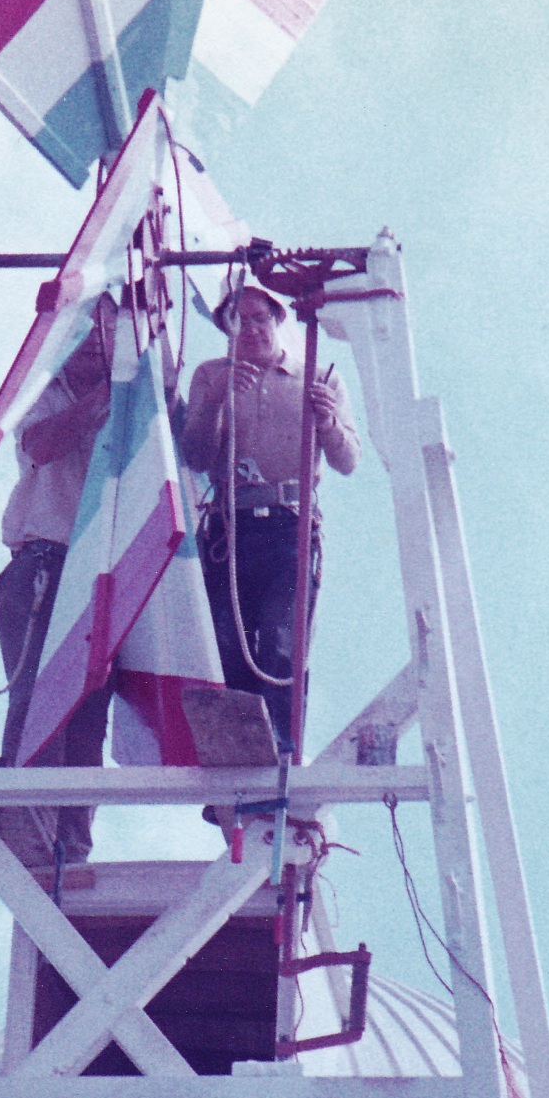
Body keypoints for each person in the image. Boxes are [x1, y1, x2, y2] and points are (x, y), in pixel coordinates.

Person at [180, 284, 361, 751]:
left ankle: (281, 749)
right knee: (225, 643)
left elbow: (347, 459)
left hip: (289, 528)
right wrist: (215, 400)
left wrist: (327, 423)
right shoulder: (210, 375)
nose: (251, 329)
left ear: (277, 320)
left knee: (282, 644)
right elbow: (196, 455)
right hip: (229, 529)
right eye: (238, 321)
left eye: (259, 318)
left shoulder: (318, 378)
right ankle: (237, 752)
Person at [0, 294, 117, 869]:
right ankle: (30, 810)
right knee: (40, 695)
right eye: (85, 332)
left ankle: (72, 841)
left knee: (88, 716)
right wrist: (96, 405)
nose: (94, 343)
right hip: (44, 564)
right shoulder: (43, 392)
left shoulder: (134, 402)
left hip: (102, 575)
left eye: (106, 333)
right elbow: (40, 445)